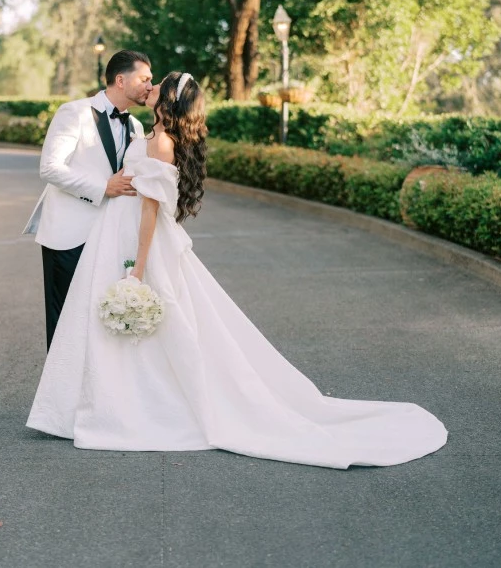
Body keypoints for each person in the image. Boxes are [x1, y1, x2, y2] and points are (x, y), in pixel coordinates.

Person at [26, 71, 447, 469]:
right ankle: (109, 402)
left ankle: (141, 406)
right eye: (149, 80)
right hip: (114, 230)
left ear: (169, 100)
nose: (151, 85)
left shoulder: (160, 142)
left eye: (160, 83)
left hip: (137, 239)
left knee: (164, 324)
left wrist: (138, 266)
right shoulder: (147, 133)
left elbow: (152, 210)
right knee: (134, 327)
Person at [22, 50, 153, 350]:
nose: (149, 85)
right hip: (68, 234)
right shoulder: (75, 112)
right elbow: (50, 168)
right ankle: (60, 394)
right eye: (144, 78)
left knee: (98, 318)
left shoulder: (136, 127)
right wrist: (102, 187)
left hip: (110, 237)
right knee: (65, 321)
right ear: (121, 80)